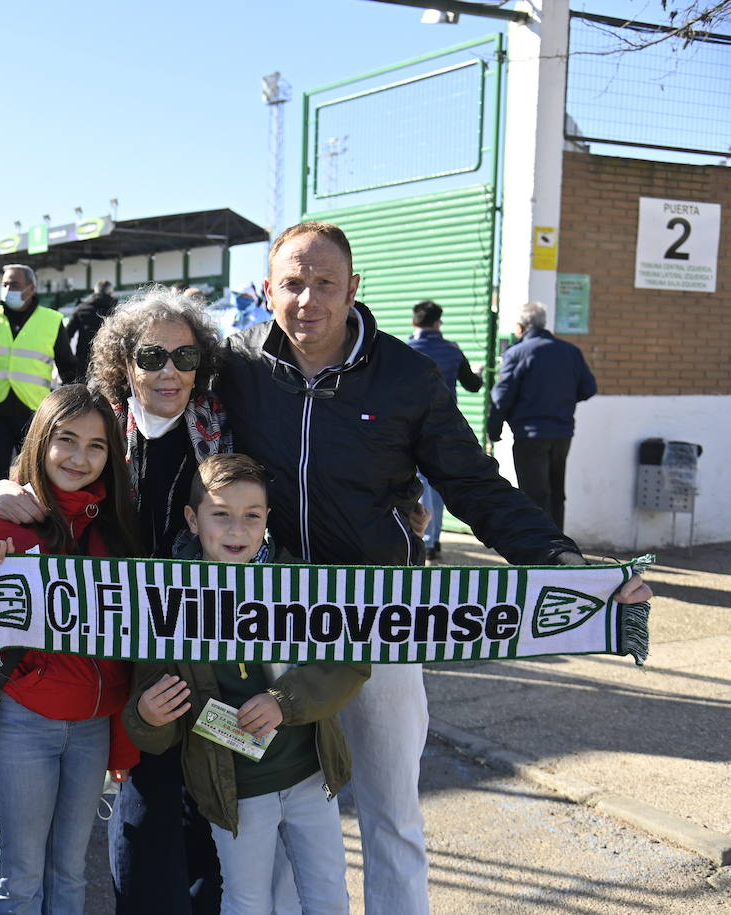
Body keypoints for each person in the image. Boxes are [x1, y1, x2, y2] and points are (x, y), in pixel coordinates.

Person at [217, 221, 651, 915]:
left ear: (354, 289)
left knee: (390, 813)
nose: (308, 299)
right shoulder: (236, 365)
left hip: (383, 621)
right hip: (276, 626)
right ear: (268, 290)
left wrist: (567, 568)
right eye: (292, 283)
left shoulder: (405, 375)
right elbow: (151, 417)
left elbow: (476, 484)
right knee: (286, 820)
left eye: (325, 282)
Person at [0, 285, 231, 914]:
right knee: (143, 816)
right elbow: (41, 472)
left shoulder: (224, 437)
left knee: (209, 815)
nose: (168, 372)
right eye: (152, 356)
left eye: (184, 357)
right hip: (123, 666)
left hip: (204, 650)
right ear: (124, 362)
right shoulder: (100, 431)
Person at [125, 453, 369, 915]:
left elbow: (348, 665)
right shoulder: (166, 600)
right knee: (246, 901)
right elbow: (148, 716)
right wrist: (147, 716)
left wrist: (285, 701)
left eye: (251, 516)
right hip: (235, 792)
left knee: (329, 896)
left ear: (267, 521)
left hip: (309, 777)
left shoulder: (296, 581)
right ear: (193, 520)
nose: (237, 529)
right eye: (221, 515)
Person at [0, 384, 142, 914]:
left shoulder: (117, 531)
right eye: (66, 439)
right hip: (23, 725)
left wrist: (121, 744)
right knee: (20, 872)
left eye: (96, 446)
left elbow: (124, 651)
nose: (79, 458)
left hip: (94, 728)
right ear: (40, 441)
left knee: (71, 872)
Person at [487, 302, 597, 532]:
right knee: (557, 492)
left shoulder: (516, 353)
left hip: (530, 435)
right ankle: (561, 549)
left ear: (521, 327)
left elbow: (503, 395)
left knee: (534, 495)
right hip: (562, 434)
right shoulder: (570, 351)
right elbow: (588, 388)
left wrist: (494, 428)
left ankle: (542, 552)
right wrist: (561, 403)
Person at [0, 263, 78, 507]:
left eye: (14, 284)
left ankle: (33, 539)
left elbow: (68, 367)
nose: (7, 289)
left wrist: (74, 408)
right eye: (4, 284)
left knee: (33, 479)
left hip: (33, 413)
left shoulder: (51, 320)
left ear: (31, 289)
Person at [406, 299, 483, 560]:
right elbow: (472, 385)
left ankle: (423, 538)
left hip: (411, 425)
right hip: (445, 427)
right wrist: (480, 373)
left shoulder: (406, 350)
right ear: (439, 322)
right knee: (437, 483)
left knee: (418, 482)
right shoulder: (452, 350)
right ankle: (434, 539)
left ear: (414, 322)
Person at [65, 278, 118, 372]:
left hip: (83, 358)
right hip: (108, 358)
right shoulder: (116, 309)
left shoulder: (81, 308)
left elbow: (67, 335)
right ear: (110, 293)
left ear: (95, 291)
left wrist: (70, 359)